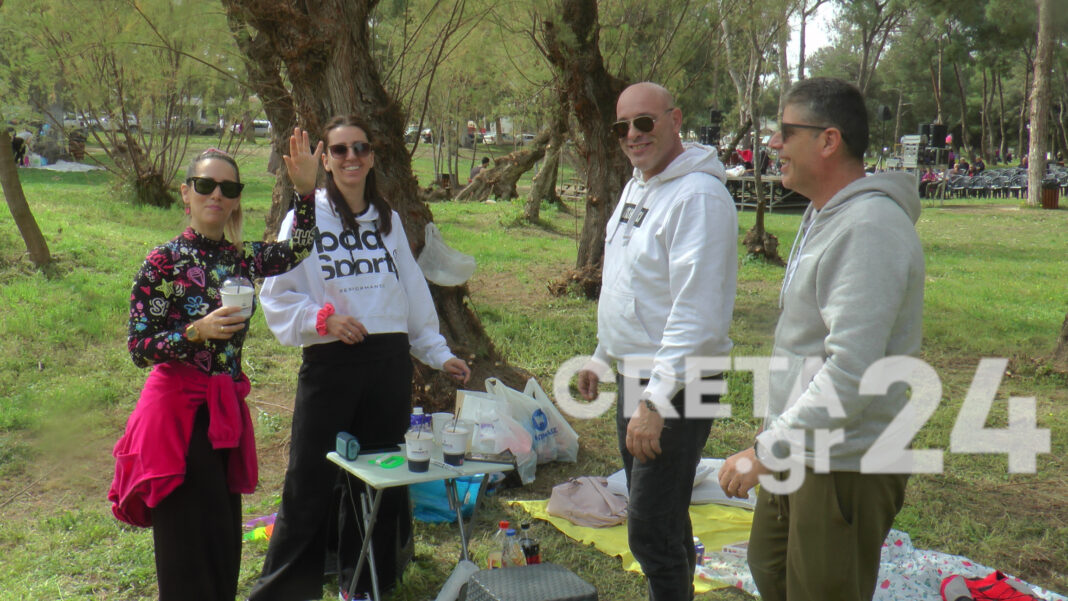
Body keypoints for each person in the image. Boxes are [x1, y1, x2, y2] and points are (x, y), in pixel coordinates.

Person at [718, 77, 924, 601]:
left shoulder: (868, 226)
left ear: (828, 141)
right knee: (771, 572)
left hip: (844, 463)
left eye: (785, 131)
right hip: (803, 451)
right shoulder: (823, 214)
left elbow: (852, 371)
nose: (772, 144)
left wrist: (768, 449)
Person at [251, 115, 472, 601]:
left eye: (361, 149)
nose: (352, 158)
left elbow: (410, 293)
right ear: (325, 160)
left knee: (381, 475)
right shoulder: (305, 218)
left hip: (388, 364)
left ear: (372, 157)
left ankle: (368, 581)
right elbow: (277, 295)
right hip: (332, 364)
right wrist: (322, 321)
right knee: (310, 478)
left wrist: (436, 352)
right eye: (341, 150)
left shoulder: (387, 218)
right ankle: (286, 589)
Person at [108, 136, 321, 601]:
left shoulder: (241, 259)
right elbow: (140, 347)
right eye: (205, 185)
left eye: (228, 188)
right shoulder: (162, 263)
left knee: (222, 535)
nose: (216, 196)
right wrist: (195, 331)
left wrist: (306, 194)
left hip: (222, 411)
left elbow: (297, 250)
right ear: (186, 193)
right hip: (174, 416)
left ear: (237, 198)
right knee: (184, 539)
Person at [576, 82, 738, 601]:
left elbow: (698, 315)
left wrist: (654, 400)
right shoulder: (639, 186)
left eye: (644, 122)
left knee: (650, 524)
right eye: (622, 126)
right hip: (636, 376)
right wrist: (604, 356)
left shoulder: (700, 197)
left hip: (678, 384)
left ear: (675, 119)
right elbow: (633, 285)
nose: (632, 135)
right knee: (658, 516)